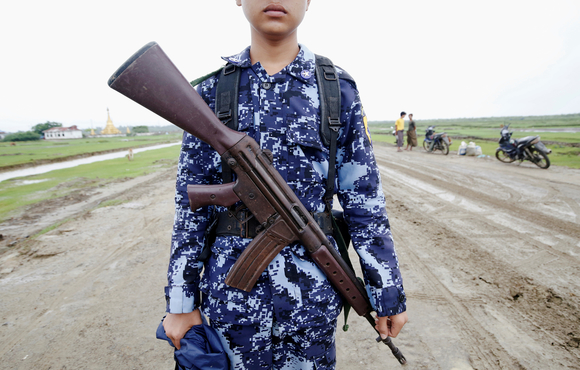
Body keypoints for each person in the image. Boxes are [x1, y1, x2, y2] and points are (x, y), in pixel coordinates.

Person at [162, 1, 407, 369]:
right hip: (233, 302)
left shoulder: (337, 90)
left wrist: (386, 293)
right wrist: (181, 304)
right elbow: (189, 212)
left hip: (313, 300)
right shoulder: (212, 92)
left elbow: (365, 202)